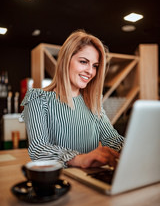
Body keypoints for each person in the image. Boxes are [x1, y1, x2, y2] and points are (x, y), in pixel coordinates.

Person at [21, 29, 124, 169]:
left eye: (95, 66)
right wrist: (80, 159)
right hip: (58, 180)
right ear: (65, 60)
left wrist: (134, 149)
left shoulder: (93, 101)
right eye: (83, 62)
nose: (90, 71)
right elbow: (39, 149)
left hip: (90, 177)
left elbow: (112, 139)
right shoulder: (38, 98)